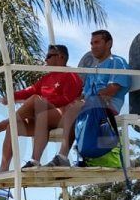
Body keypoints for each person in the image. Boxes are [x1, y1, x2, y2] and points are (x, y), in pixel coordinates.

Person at [0, 44, 82, 171]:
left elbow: (68, 99)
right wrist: (11, 96)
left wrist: (44, 101)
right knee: (13, 127)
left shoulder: (71, 75)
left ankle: (4, 123)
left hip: (60, 116)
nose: (45, 60)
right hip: (42, 117)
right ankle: (3, 168)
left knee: (35, 100)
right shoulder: (47, 78)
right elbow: (30, 90)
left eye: (49, 56)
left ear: (61, 57)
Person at [47, 29, 131, 167]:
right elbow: (85, 93)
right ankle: (36, 160)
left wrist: (84, 101)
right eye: (91, 43)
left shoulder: (116, 62)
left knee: (75, 108)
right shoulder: (94, 68)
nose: (93, 46)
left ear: (109, 43)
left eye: (97, 42)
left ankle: (62, 156)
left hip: (106, 108)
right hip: (90, 107)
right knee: (49, 114)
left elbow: (111, 90)